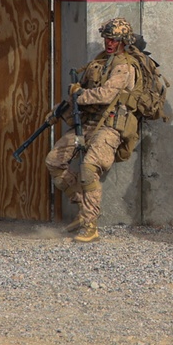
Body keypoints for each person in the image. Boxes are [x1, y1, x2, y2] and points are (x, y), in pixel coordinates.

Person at [45, 17, 140, 243]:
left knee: (89, 168)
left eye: (114, 39)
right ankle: (83, 206)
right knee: (54, 162)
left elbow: (106, 95)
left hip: (110, 125)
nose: (109, 43)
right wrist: (58, 110)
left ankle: (90, 225)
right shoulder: (99, 62)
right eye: (107, 38)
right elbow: (83, 90)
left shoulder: (124, 67)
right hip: (88, 122)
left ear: (123, 41)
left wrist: (79, 95)